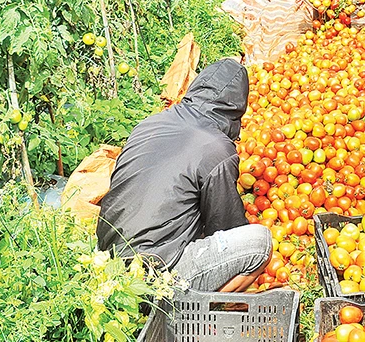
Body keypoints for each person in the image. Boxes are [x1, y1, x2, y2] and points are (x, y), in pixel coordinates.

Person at [96, 58, 272, 292]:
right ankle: (203, 309)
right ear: (236, 108)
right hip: (155, 271)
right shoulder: (216, 148)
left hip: (109, 259)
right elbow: (225, 227)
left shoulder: (150, 124)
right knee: (260, 242)